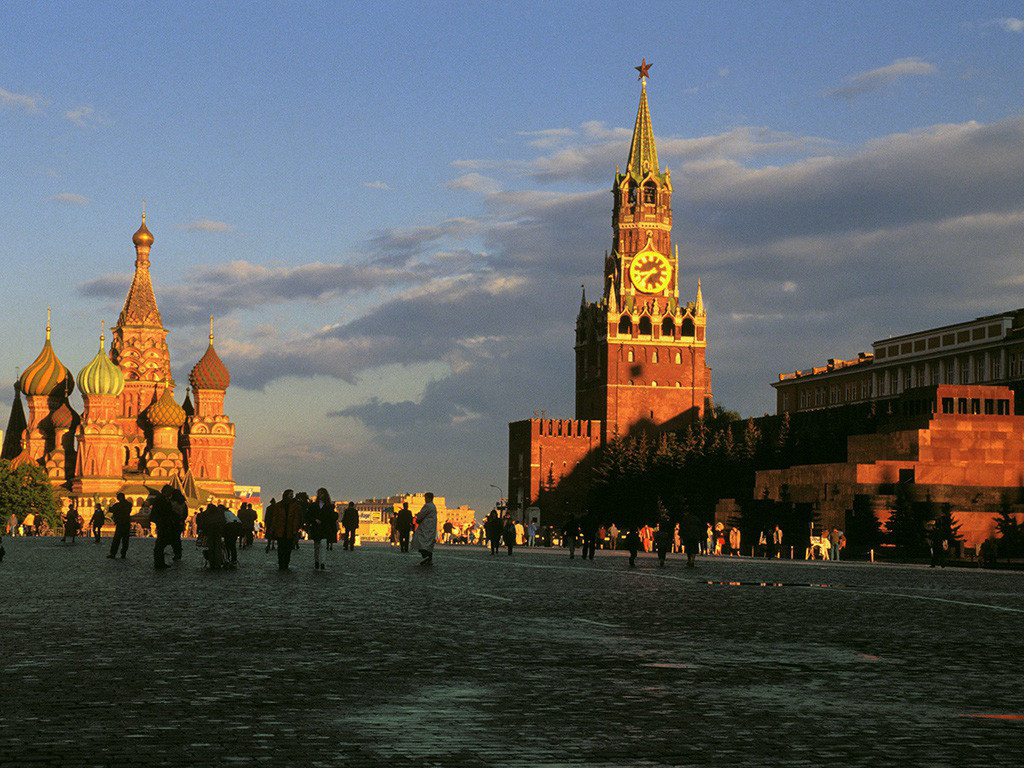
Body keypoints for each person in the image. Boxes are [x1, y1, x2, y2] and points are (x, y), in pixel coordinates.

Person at [267, 490, 304, 570]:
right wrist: (273, 528)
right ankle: (281, 563)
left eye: (292, 494)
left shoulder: (295, 506)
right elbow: (275, 518)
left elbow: (297, 518)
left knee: (288, 548)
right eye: (290, 494)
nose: (291, 496)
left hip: (290, 530)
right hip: (281, 529)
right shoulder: (279, 505)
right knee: (281, 548)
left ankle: (286, 564)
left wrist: (296, 528)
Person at [150, 486, 178, 569]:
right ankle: (159, 563)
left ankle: (160, 562)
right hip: (162, 522)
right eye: (170, 492)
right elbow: (164, 511)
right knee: (160, 543)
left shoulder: (162, 499)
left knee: (161, 543)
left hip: (163, 522)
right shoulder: (161, 500)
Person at [306, 488, 332, 570]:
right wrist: (314, 520)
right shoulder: (313, 505)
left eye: (321, 493)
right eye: (319, 493)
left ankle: (323, 563)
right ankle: (317, 561)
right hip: (316, 528)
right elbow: (308, 515)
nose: (320, 495)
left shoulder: (329, 506)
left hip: (324, 528)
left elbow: (331, 517)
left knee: (323, 545)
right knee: (316, 547)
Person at [410, 492, 437, 566]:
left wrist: (418, 518)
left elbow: (422, 515)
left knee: (421, 542)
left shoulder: (427, 506)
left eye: (426, 498)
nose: (425, 500)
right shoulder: (433, 506)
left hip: (425, 527)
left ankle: (426, 557)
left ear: (429, 498)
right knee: (428, 544)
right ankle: (429, 558)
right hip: (430, 527)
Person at [196, 503, 226, 569]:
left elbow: (203, 523)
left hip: (209, 531)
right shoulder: (220, 513)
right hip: (218, 530)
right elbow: (223, 521)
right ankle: (218, 563)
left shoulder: (206, 513)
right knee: (218, 546)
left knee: (211, 546)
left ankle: (212, 563)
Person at [107, 493, 133, 559]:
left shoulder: (117, 505)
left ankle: (113, 553)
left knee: (116, 540)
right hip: (127, 523)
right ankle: (123, 554)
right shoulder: (129, 505)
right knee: (125, 540)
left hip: (120, 524)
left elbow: (111, 509)